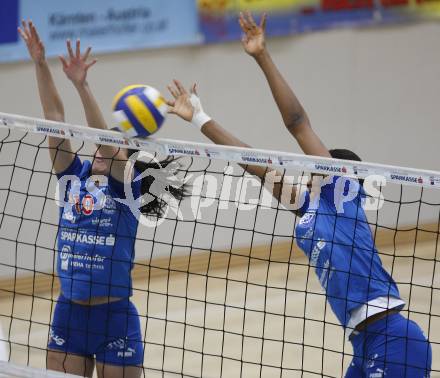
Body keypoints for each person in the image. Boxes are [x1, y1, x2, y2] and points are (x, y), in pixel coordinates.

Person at [165, 12, 432, 378]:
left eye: (319, 163)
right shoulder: (308, 210)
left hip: (395, 339)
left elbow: (297, 123)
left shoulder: (341, 192)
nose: (308, 167)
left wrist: (262, 56)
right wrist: (199, 118)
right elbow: (251, 162)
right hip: (364, 343)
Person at [19, 21, 186, 378]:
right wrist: (39, 63)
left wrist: (83, 86)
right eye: (96, 145)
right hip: (68, 314)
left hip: (114, 319)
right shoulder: (71, 178)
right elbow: (54, 119)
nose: (99, 150)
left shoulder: (127, 190)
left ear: (126, 157)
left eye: (110, 148)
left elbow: (110, 148)